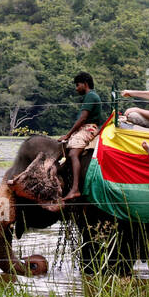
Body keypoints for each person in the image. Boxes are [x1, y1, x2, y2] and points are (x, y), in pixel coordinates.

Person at [57, 72, 103, 201]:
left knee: (73, 154)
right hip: (85, 128)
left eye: (77, 85)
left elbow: (82, 119)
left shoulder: (91, 96)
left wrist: (68, 134)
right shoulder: (89, 96)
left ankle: (75, 189)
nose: (76, 88)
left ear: (85, 84)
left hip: (88, 128)